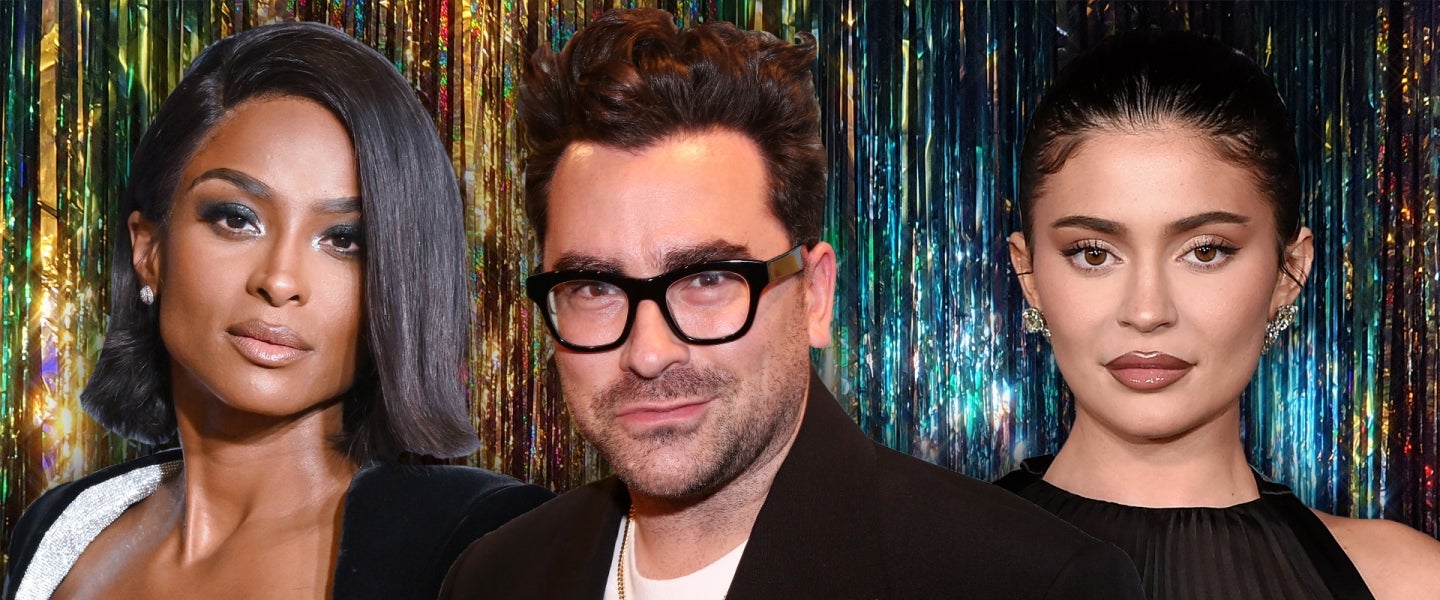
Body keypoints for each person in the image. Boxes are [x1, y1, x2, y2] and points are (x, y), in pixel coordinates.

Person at [441, 9, 1144, 599]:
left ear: (814, 294)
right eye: (595, 288)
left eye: (708, 279)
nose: (649, 352)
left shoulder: (1027, 582)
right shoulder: (492, 577)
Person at [2, 22, 552, 600]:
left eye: (344, 239)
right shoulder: (63, 529)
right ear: (149, 251)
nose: (280, 280)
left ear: (400, 281)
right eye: (236, 218)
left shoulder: (484, 539)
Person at [997, 29, 1440, 600]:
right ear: (1029, 273)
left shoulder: (1408, 583)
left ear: (1288, 271)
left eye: (1205, 251)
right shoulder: (921, 564)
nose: (1147, 312)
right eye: (1094, 254)